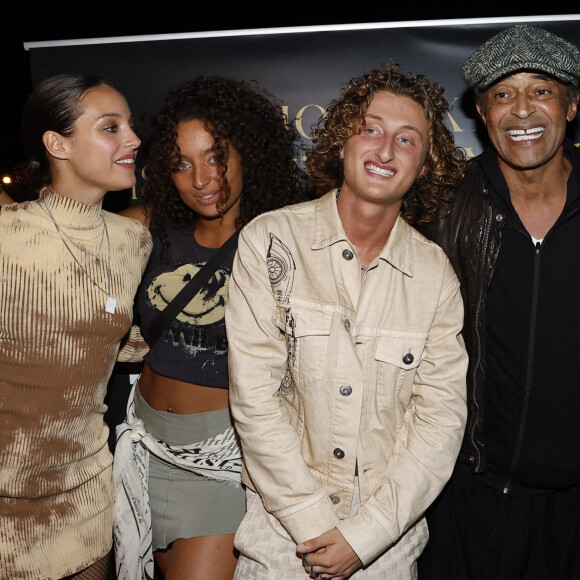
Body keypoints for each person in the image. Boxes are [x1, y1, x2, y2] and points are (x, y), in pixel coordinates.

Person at [224, 62, 468, 580]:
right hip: (281, 536)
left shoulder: (435, 275)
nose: (384, 150)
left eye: (407, 140)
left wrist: (364, 537)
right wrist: (315, 525)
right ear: (341, 142)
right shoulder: (270, 241)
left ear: (425, 164)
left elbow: (440, 423)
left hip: (387, 543)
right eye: (371, 129)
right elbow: (255, 398)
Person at [112, 75, 305, 580]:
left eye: (215, 156)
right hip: (141, 448)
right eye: (181, 163)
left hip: (221, 461)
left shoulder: (279, 242)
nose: (201, 178)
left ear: (247, 154)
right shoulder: (150, 228)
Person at [417, 24, 580, 580]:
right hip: (464, 495)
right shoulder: (442, 206)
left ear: (572, 104)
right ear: (483, 116)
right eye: (503, 95)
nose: (522, 110)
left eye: (541, 90)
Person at [0, 73, 152, 579]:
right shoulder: (8, 235)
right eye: (111, 128)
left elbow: (111, 337)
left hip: (84, 495)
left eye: (130, 126)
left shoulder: (134, 241)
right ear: (56, 143)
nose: (132, 139)